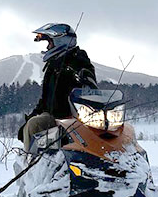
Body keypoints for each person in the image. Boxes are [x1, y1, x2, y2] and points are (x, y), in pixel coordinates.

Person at [18, 23, 98, 153]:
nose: (48, 47)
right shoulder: (53, 65)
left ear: (60, 41)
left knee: (34, 124)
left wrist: (79, 73)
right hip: (54, 117)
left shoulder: (78, 60)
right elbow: (45, 99)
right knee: (33, 124)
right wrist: (30, 118)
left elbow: (90, 87)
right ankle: (33, 163)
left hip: (74, 118)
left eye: (50, 43)